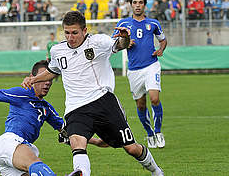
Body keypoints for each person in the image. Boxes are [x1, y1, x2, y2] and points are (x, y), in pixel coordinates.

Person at [22, 11, 164, 176]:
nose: (70, 37)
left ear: (84, 30)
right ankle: (81, 172)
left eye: (74, 32)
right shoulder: (57, 51)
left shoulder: (98, 42)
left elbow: (120, 45)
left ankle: (156, 171)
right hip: (76, 108)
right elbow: (53, 70)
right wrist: (34, 79)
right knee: (77, 142)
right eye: (66, 32)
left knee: (131, 148)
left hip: (103, 102)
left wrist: (124, 37)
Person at [113, 0, 167, 149]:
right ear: (131, 5)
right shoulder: (123, 23)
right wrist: (125, 42)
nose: (138, 5)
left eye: (140, 2)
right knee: (141, 105)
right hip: (134, 70)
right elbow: (114, 43)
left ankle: (158, 132)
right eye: (135, 3)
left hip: (151, 65)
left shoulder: (153, 23)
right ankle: (149, 133)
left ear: (145, 5)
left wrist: (161, 50)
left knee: (154, 98)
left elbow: (163, 40)